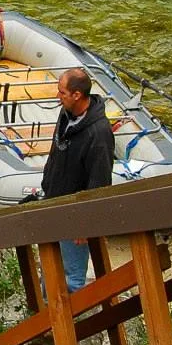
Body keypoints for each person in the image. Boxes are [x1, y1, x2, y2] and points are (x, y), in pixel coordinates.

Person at [37, 68, 113, 289]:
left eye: (61, 92)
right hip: (52, 202)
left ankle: (77, 321)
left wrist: (86, 222)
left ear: (77, 95)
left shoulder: (99, 134)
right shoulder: (66, 113)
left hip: (74, 215)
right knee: (48, 270)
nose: (57, 96)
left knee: (72, 278)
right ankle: (47, 317)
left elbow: (100, 181)